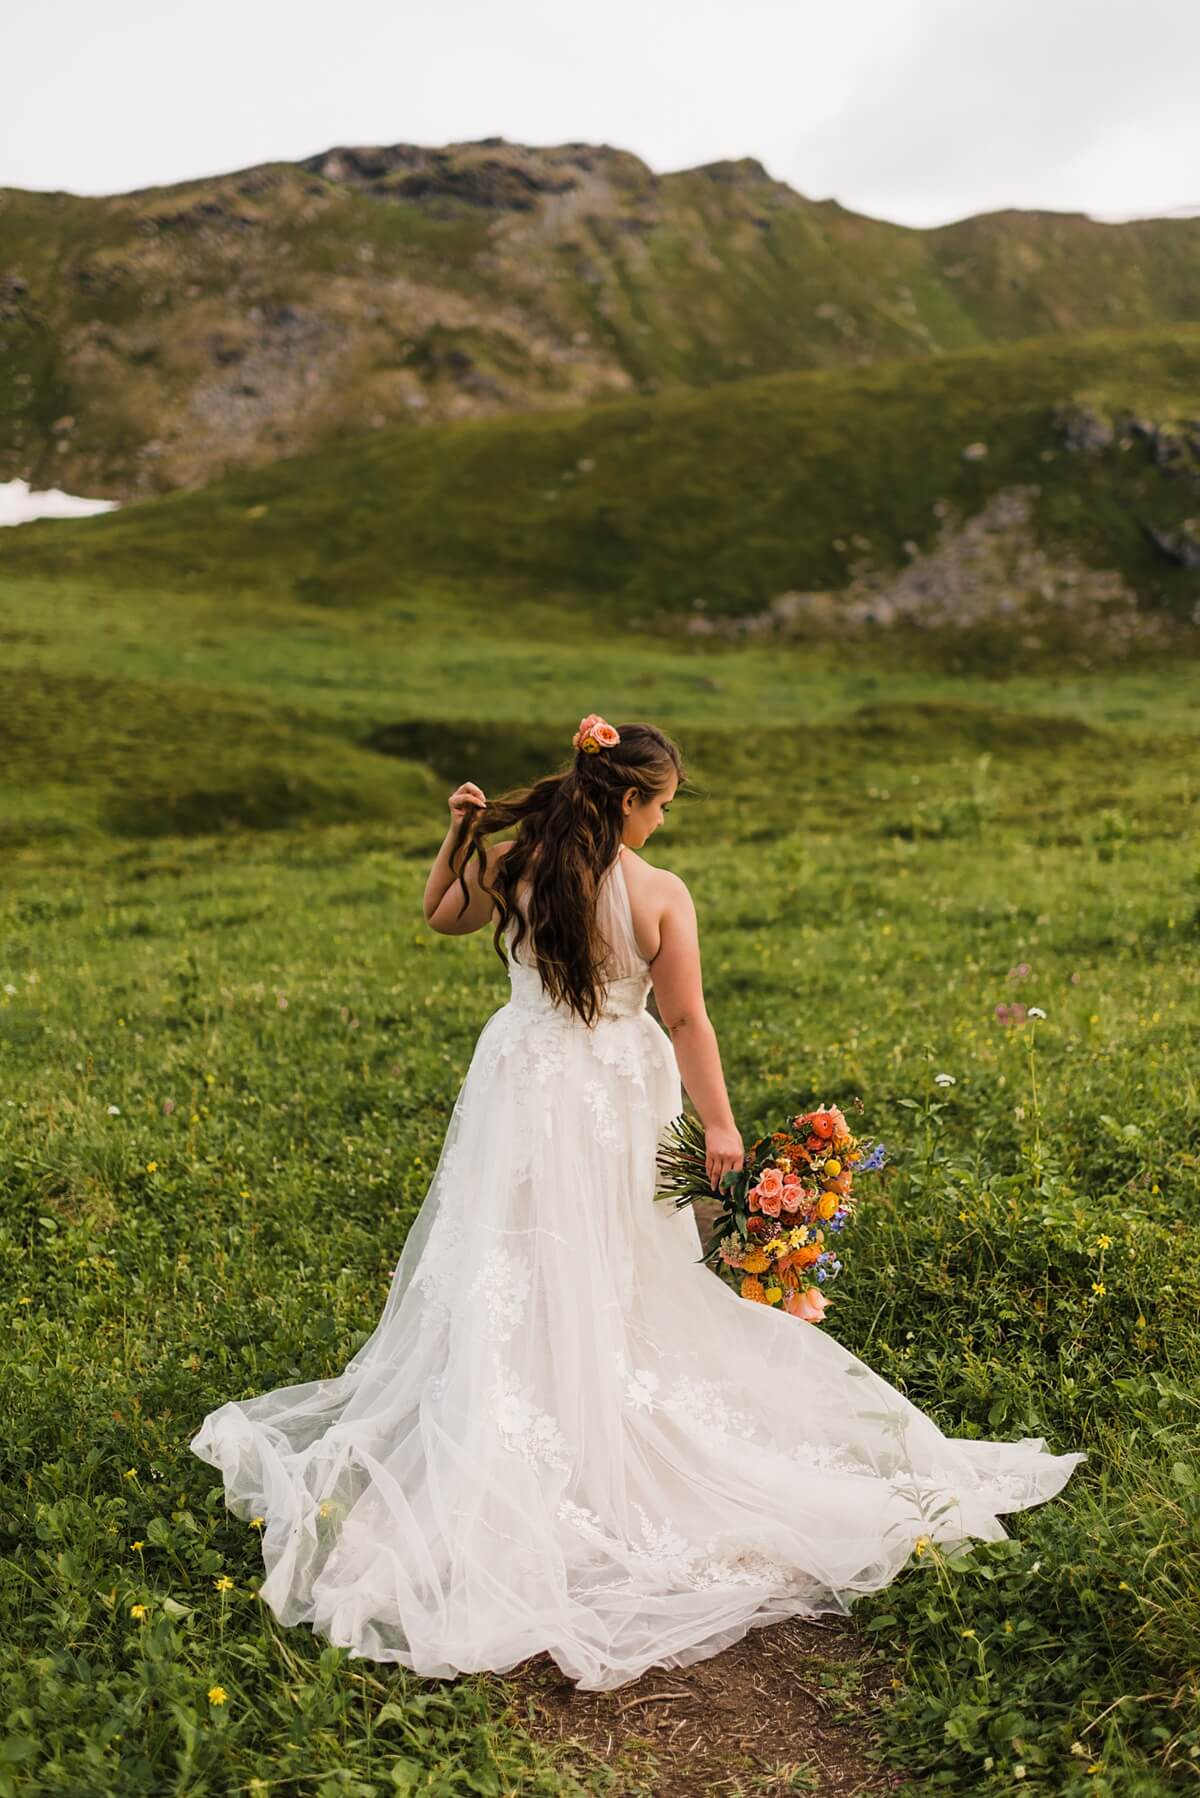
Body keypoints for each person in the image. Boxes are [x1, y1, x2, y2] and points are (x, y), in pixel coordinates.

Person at [190, 714, 1086, 1692]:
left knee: (521, 1249)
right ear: (628, 799)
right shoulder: (656, 893)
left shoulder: (521, 866)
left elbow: (441, 913)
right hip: (616, 1085)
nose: (664, 820)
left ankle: (537, 1405)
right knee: (617, 1253)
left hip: (526, 1079)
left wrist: (461, 834)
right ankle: (598, 1409)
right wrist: (722, 1123)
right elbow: (687, 1015)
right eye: (662, 803)